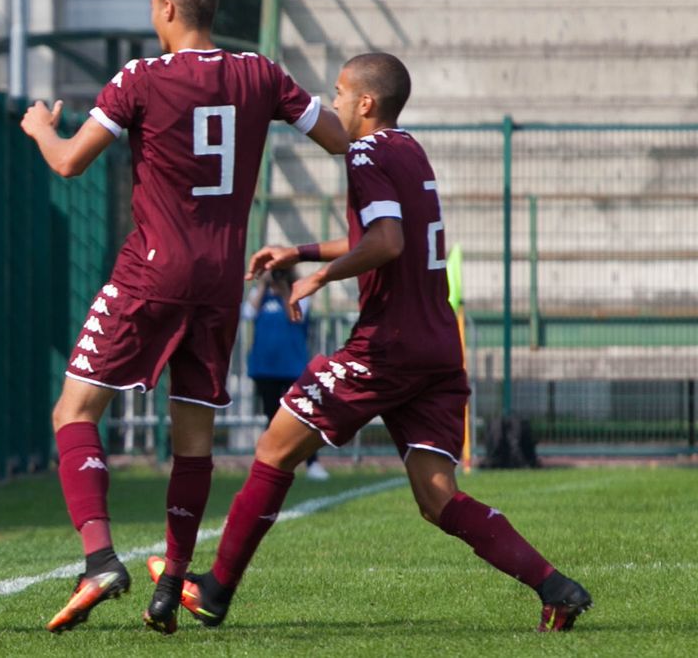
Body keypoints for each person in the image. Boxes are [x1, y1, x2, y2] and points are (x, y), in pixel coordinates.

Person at [152, 52, 592, 633]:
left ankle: (215, 591)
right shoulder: (408, 150)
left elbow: (385, 243)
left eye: (338, 93)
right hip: (436, 347)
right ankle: (556, 588)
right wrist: (301, 252)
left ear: (365, 103)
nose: (331, 103)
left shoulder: (363, 153)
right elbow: (387, 234)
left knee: (274, 449)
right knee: (437, 498)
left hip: (388, 346)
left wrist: (316, 278)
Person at [20, 0, 348, 635]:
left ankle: (99, 559)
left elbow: (69, 163)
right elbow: (339, 137)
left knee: (73, 411)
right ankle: (172, 580)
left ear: (167, 8)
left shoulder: (138, 79)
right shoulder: (261, 73)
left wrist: (40, 128)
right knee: (192, 440)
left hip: (152, 270)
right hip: (222, 281)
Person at [244, 269, 327, 481]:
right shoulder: (260, 296)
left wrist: (283, 292)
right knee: (272, 417)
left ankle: (312, 463)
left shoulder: (298, 294)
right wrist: (262, 285)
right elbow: (248, 313)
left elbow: (296, 317)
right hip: (265, 368)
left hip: (292, 367)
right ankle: (268, 464)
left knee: (304, 416)